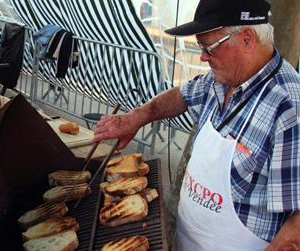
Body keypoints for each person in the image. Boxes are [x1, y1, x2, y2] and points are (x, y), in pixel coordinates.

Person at [93, 0, 300, 250]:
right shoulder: (220, 79)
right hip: (186, 239)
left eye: (209, 47)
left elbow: (296, 225)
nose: (202, 57)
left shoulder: (289, 109)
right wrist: (134, 118)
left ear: (247, 38)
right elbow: (182, 96)